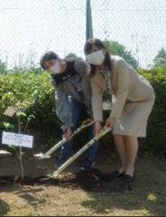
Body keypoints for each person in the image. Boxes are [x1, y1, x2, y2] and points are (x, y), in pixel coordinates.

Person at [84, 38, 155, 183]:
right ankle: (123, 166)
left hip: (141, 99)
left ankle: (130, 169)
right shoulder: (93, 73)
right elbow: (96, 97)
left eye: (96, 50)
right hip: (121, 102)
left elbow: (123, 90)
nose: (93, 54)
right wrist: (98, 121)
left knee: (129, 132)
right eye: (89, 52)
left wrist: (113, 115)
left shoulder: (119, 63)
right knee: (117, 133)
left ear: (104, 50)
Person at [39, 51, 99, 171]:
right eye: (47, 67)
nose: (51, 67)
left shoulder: (78, 65)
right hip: (75, 99)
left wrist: (93, 113)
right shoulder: (56, 79)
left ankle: (89, 159)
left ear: (59, 58)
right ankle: (64, 156)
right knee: (69, 125)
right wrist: (67, 124)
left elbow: (88, 88)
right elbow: (61, 101)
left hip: (94, 97)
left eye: (51, 63)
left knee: (95, 127)